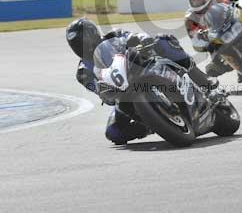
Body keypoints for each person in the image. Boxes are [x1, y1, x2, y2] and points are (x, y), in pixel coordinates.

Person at [66, 18, 218, 145]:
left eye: (83, 41)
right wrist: (103, 91)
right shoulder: (83, 72)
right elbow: (96, 89)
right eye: (77, 44)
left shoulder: (114, 35)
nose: (81, 46)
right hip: (121, 93)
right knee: (113, 133)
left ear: (93, 34)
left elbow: (135, 36)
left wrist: (144, 40)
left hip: (142, 68)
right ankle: (152, 124)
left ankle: (202, 79)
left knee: (163, 41)